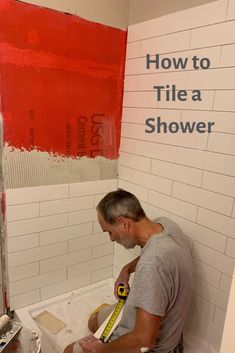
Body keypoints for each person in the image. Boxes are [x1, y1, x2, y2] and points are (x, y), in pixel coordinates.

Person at [65, 189, 193, 353]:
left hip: (151, 347)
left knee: (68, 351)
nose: (111, 238)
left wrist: (101, 349)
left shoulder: (151, 265)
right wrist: (127, 270)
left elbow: (144, 340)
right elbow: (158, 256)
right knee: (93, 322)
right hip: (156, 323)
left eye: (110, 232)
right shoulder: (165, 226)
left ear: (124, 223)